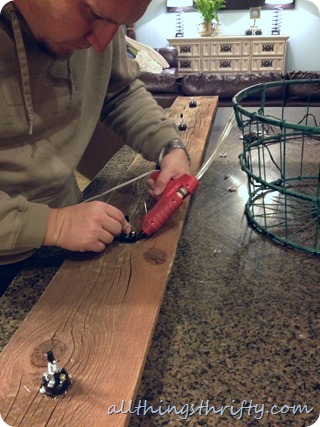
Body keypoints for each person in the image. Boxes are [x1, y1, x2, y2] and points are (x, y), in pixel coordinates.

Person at [0, 0, 191, 292]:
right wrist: (54, 225)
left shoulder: (102, 22)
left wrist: (169, 145)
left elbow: (119, 91)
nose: (102, 43)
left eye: (118, 25)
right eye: (92, 14)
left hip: (71, 234)